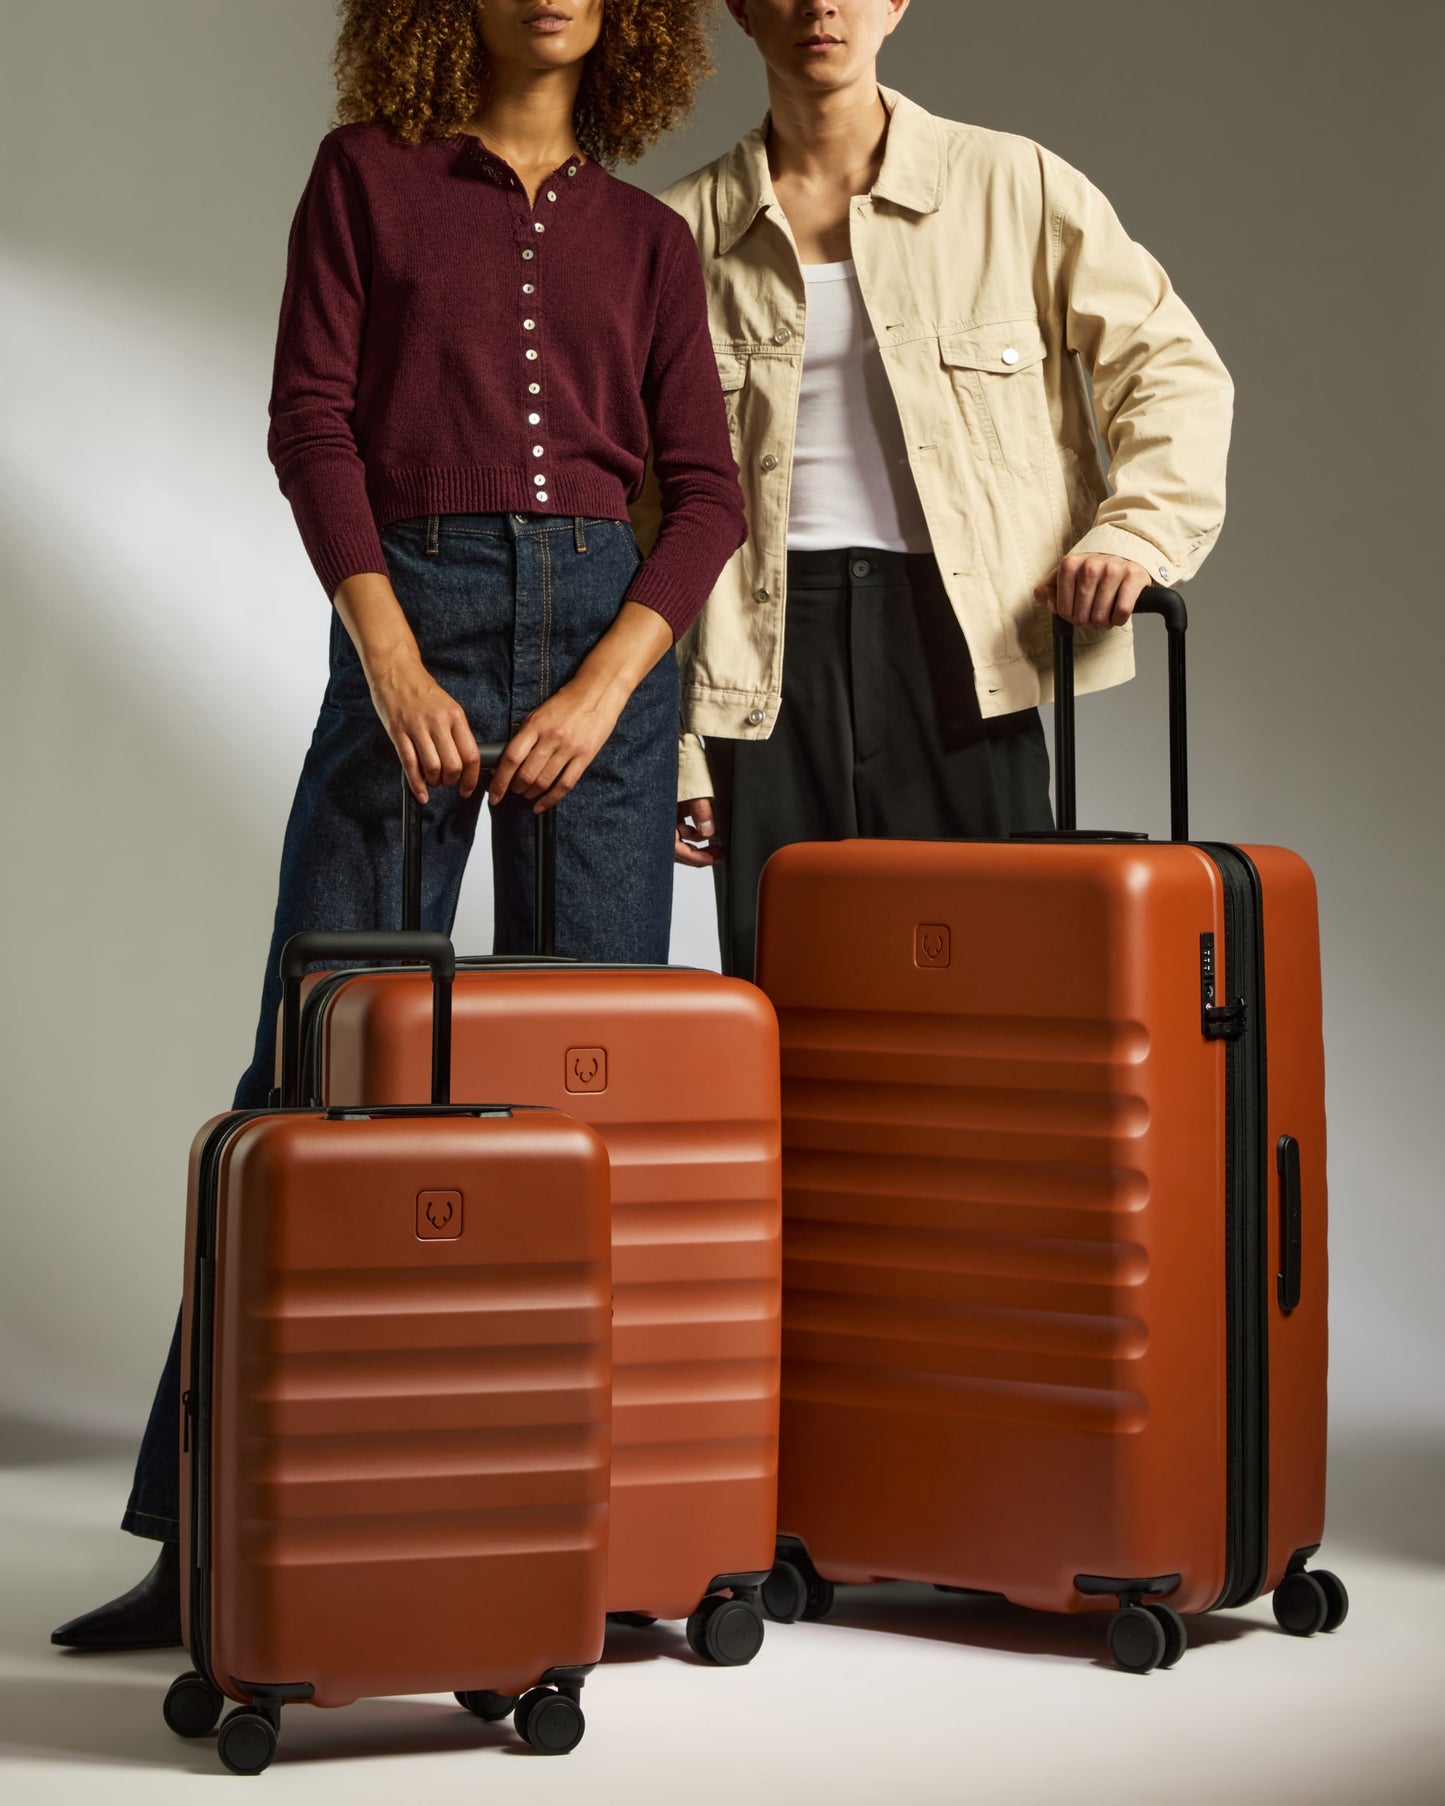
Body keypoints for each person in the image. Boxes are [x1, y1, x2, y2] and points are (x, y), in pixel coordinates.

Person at [52, 0, 743, 1652]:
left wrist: (602, 693)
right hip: (411, 612)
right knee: (314, 1060)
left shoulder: (648, 239)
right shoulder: (362, 179)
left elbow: (706, 495)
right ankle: (208, 1537)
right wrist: (389, 657)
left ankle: (597, 1536)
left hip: (606, 649)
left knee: (600, 1098)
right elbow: (312, 420)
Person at [659, 0, 1234, 977]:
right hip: (759, 657)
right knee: (788, 989)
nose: (819, 7)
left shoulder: (1012, 186)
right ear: (741, 10)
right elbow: (642, 508)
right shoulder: (677, 234)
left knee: (992, 982)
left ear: (895, 3)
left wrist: (1134, 536)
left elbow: (1169, 368)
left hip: (966, 640)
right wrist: (676, 739)